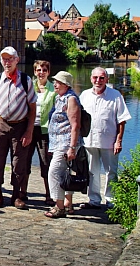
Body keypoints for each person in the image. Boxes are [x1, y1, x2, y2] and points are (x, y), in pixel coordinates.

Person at [0, 46, 37, 209]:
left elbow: (33, 107)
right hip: (0, 123)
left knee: (19, 162)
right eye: (4, 59)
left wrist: (29, 131)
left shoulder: (25, 80)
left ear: (17, 60)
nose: (7, 62)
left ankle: (17, 195)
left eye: (10, 59)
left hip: (20, 125)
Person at [79, 67, 131, 209]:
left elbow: (122, 120)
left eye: (102, 78)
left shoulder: (115, 96)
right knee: (92, 172)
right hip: (89, 140)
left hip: (109, 142)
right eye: (95, 77)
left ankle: (111, 201)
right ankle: (94, 200)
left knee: (111, 172)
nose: (98, 81)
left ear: (107, 79)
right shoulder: (84, 95)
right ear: (91, 79)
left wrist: (119, 140)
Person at [45, 71, 82, 218]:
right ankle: (67, 204)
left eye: (58, 82)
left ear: (66, 85)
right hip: (58, 143)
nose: (55, 84)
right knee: (64, 174)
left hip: (66, 144)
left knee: (54, 173)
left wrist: (72, 148)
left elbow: (75, 125)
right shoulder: (60, 98)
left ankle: (59, 207)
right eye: (55, 81)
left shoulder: (71, 99)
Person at [26, 60, 57, 206]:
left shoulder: (53, 89)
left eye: (44, 70)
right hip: (29, 128)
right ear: (34, 72)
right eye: (38, 70)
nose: (41, 73)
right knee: (24, 161)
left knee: (46, 162)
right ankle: (22, 192)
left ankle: (49, 194)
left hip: (45, 130)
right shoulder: (29, 87)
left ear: (48, 72)